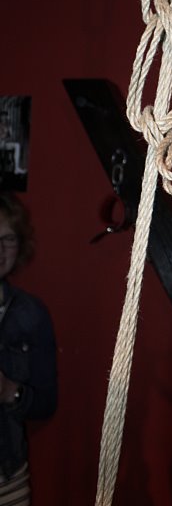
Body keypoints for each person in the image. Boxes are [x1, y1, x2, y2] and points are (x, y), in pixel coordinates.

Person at [0, 192, 57, 504]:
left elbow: (46, 402)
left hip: (8, 476)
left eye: (8, 239)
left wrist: (10, 392)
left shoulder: (31, 314)